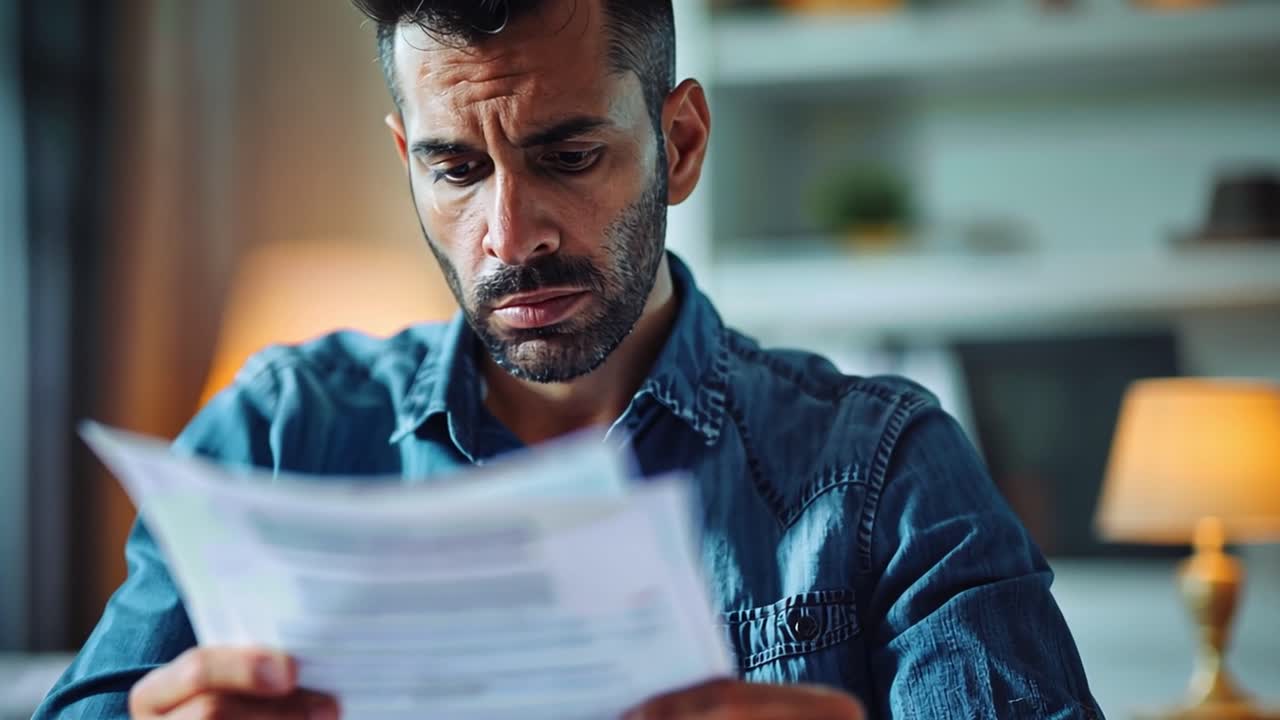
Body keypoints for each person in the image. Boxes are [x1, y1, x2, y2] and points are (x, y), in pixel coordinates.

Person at [36, 1, 1103, 717]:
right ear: (407, 159)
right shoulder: (274, 436)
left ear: (680, 143)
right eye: (457, 170)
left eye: (569, 155)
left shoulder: (883, 469)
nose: (511, 236)